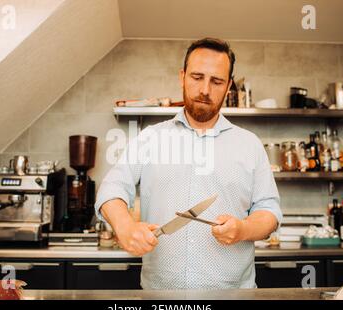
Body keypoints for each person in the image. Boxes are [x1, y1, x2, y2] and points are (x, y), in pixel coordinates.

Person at [95, 38, 282, 289]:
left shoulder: (250, 144)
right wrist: (124, 226)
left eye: (216, 81)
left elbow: (269, 212)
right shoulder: (150, 138)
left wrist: (243, 229)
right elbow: (112, 188)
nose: (205, 89)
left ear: (228, 86)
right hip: (161, 298)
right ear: (182, 76)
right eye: (197, 77)